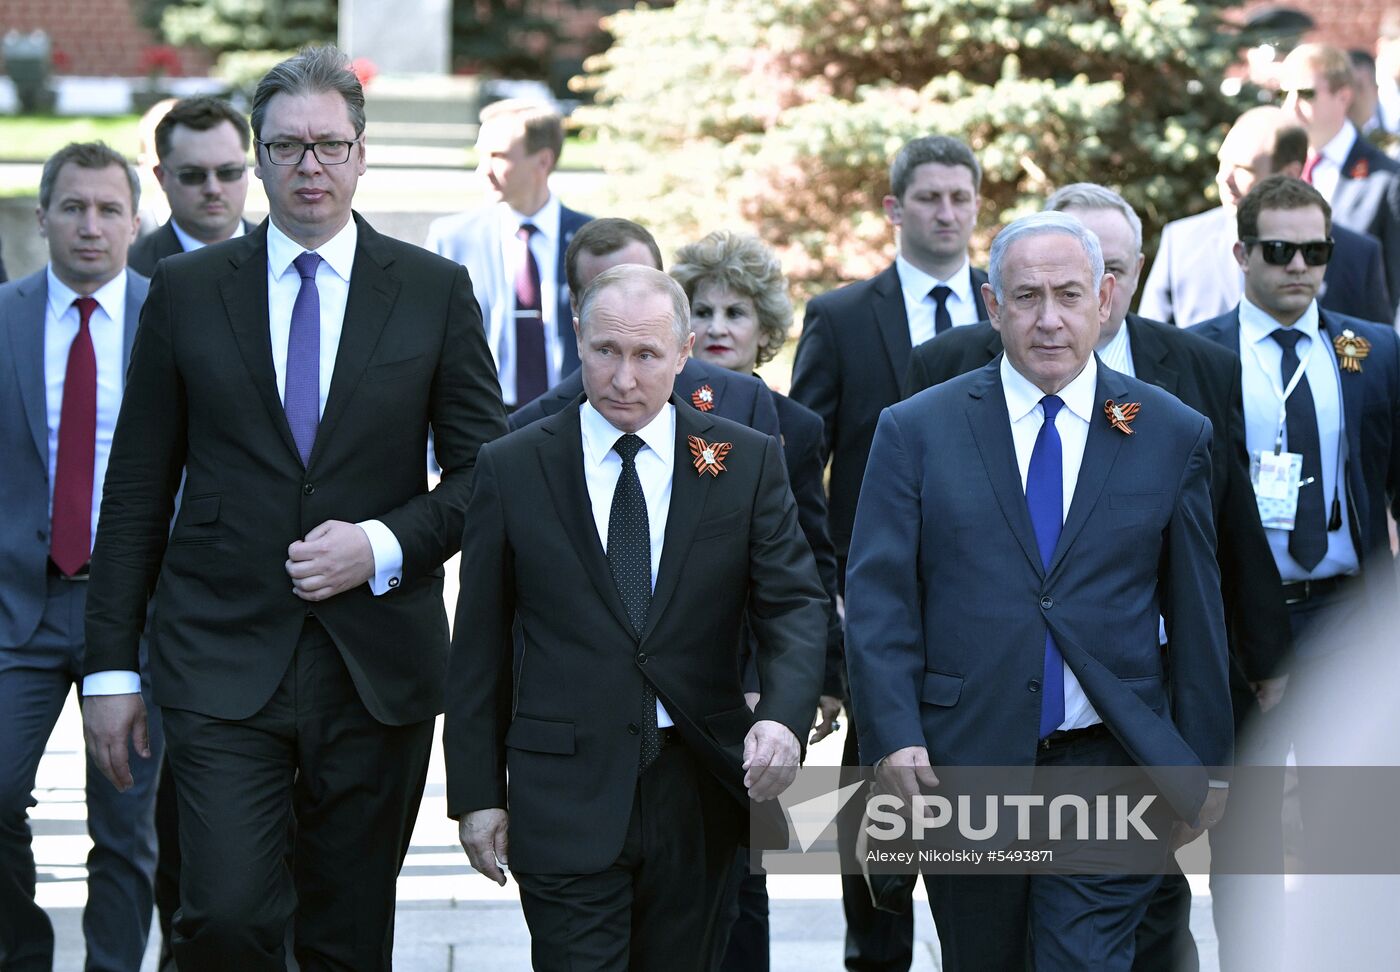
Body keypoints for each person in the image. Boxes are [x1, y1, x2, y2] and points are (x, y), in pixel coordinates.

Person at [80, 46, 508, 971]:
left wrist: (384, 542)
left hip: (377, 665)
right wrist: (110, 670)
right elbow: (136, 490)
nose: (309, 168)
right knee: (226, 915)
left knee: (348, 936)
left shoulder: (432, 292)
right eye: (286, 149)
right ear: (260, 160)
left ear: (361, 153)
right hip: (219, 657)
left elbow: (487, 475)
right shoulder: (189, 294)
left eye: (328, 146)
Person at [905, 183, 1291, 972]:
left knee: (1085, 956)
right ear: (994, 304)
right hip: (972, 752)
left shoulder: (1170, 424)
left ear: (1109, 293)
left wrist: (1202, 760)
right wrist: (895, 734)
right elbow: (887, 591)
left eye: (1071, 293)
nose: (1049, 317)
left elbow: (1198, 604)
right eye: (1028, 296)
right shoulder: (924, 414)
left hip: (1109, 755)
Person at [445, 264, 826, 970]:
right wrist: (476, 793)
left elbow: (795, 603)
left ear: (683, 354)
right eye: (606, 352)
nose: (624, 378)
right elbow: (479, 643)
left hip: (700, 791)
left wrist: (781, 716)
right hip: (562, 792)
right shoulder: (513, 464)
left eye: (647, 355)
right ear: (579, 342)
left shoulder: (743, 462)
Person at [789, 133, 990, 969]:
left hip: (983, 603)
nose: (947, 213)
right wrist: (827, 600)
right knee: (877, 819)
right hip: (875, 603)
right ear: (894, 209)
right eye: (931, 197)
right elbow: (803, 468)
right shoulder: (841, 318)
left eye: (961, 198)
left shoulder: (1006, 309)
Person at [1189, 174, 1400, 970]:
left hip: (1347, 614)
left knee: (1359, 825)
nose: (1299, 268)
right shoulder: (1198, 354)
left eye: (1316, 251)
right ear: (1241, 252)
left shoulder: (1367, 349)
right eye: (1279, 251)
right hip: (1242, 626)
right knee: (1243, 831)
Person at [670, 230, 845, 971]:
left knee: (748, 867)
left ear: (764, 330)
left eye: (735, 312)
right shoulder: (654, 415)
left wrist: (819, 682)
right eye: (702, 310)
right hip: (673, 669)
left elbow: (812, 562)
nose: (716, 327)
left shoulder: (796, 427)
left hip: (754, 682)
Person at [0, 142, 156, 972]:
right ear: (42, 219)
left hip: (135, 611)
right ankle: (21, 956)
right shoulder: (5, 317)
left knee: (127, 825)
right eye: (72, 207)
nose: (90, 226)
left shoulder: (176, 321)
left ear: (136, 221)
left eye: (107, 209)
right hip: (17, 607)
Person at [509, 217, 781, 439]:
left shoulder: (742, 401)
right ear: (575, 305)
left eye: (643, 285)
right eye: (605, 291)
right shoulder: (528, 428)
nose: (628, 303)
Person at [1141, 106, 1392, 327]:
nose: (1224, 179)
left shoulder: (1356, 255)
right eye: (1222, 163)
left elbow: (1374, 359)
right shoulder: (1182, 242)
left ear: (1290, 173)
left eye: (1243, 168)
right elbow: (1151, 349)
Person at [426, 99, 593, 409]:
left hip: (572, 416)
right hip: (484, 419)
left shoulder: (591, 241)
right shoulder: (452, 240)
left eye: (498, 156)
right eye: (481, 155)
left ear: (542, 161)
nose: (483, 170)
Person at [1279, 42, 1400, 324]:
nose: (1290, 105)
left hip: (1354, 345)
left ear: (1343, 96)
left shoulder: (1387, 179)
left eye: (1305, 94)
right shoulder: (1278, 167)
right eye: (1282, 94)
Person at [128, 95, 254, 277]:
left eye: (228, 172)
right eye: (192, 175)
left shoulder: (285, 259)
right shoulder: (129, 271)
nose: (213, 189)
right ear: (161, 176)